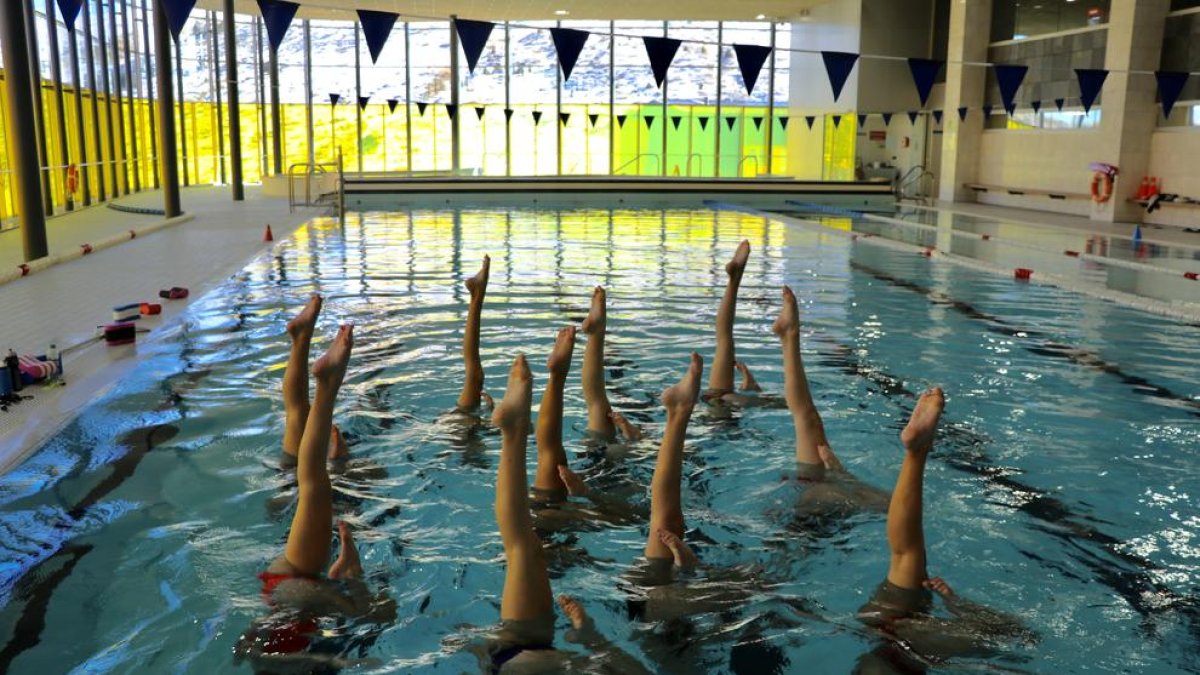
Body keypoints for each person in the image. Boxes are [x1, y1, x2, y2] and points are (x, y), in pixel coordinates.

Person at [238, 325, 394, 668]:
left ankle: (326, 386)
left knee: (377, 614)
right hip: (283, 589)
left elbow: (275, 655)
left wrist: (345, 663)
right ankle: (307, 353)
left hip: (295, 594)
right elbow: (247, 648)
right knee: (311, 480)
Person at [483, 354, 647, 673]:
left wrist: (594, 639)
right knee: (523, 547)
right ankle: (516, 430)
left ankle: (518, 427)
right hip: (515, 651)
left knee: (523, 546)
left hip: (523, 656)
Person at [856, 388, 1033, 669]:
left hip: (908, 648)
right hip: (881, 629)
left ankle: (918, 451)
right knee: (903, 554)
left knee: (1020, 636)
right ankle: (916, 454)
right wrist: (953, 602)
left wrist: (956, 604)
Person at [772, 286, 889, 519]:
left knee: (808, 420)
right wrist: (844, 478)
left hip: (818, 501)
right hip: (822, 497)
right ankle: (789, 336)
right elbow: (902, 511)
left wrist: (843, 479)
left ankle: (790, 336)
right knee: (809, 421)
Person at [530, 326, 643, 531]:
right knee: (549, 451)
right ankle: (558, 375)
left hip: (580, 502)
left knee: (598, 410)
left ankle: (593, 337)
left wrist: (586, 495)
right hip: (556, 503)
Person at [282, 294, 348, 469]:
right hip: (287, 479)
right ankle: (300, 339)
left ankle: (339, 464)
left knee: (312, 479)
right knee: (295, 414)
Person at [580, 286, 643, 443]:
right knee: (596, 404)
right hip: (610, 456)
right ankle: (596, 332)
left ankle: (597, 332)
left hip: (606, 453)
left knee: (596, 404)